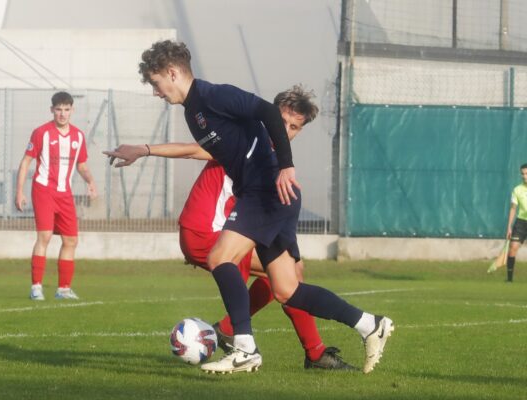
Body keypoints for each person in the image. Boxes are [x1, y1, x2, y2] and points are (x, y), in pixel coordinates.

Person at [135, 40, 393, 374]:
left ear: (172, 73)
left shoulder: (213, 95)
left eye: (156, 83)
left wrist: (285, 165)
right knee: (286, 289)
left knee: (220, 257)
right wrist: (142, 149)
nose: (156, 91)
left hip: (265, 192)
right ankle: (369, 325)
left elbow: (268, 112)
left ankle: (245, 347)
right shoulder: (193, 111)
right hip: (268, 196)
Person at [106, 86, 356, 370]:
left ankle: (251, 335)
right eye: (281, 121)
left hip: (218, 232)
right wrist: (144, 149)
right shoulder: (241, 144)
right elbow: (191, 151)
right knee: (288, 276)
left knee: (286, 274)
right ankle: (305, 351)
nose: (285, 130)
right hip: (204, 231)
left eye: (294, 127)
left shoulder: (272, 161)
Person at [15, 91, 97, 301]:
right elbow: (25, 162)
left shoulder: (78, 136)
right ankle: (36, 287)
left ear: (72, 110)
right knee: (45, 237)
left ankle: (63, 289)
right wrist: (19, 191)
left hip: (65, 194)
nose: (62, 114)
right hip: (43, 190)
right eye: (58, 109)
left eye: (66, 110)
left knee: (71, 240)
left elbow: (82, 166)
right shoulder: (41, 132)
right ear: (52, 110)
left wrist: (90, 181)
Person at [505, 163, 527, 282]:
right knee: (512, 247)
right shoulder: (517, 190)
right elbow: (513, 208)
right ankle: (509, 279)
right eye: (522, 174)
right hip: (521, 222)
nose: (524, 176)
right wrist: (509, 227)